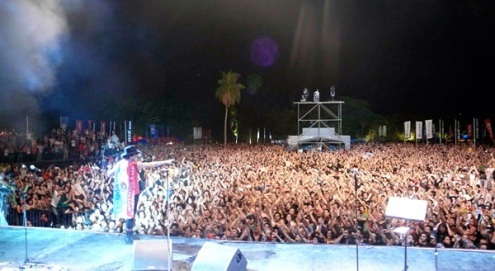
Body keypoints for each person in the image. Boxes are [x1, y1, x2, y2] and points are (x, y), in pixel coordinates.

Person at [107, 145, 174, 244]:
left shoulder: (121, 164)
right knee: (130, 214)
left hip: (128, 192)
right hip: (130, 193)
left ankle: (129, 234)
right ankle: (128, 236)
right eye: (135, 155)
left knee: (130, 213)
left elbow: (109, 174)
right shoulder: (132, 165)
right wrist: (166, 162)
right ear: (131, 156)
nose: (136, 157)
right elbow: (151, 164)